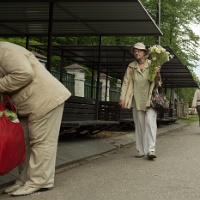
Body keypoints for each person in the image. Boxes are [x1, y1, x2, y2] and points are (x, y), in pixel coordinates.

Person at [0, 42, 71, 196]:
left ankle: (39, 181)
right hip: (27, 104)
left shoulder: (5, 51)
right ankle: (24, 180)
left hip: (45, 99)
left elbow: (24, 73)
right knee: (23, 143)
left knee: (41, 142)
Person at [119, 42, 162, 160]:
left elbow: (158, 83)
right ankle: (140, 150)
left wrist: (158, 73)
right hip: (136, 99)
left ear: (145, 53)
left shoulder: (152, 65)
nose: (137, 52)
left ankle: (151, 150)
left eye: (139, 50)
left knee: (150, 123)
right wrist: (122, 98)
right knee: (139, 125)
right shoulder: (131, 66)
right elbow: (126, 82)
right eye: (135, 51)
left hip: (150, 99)